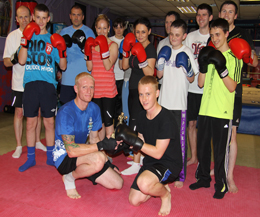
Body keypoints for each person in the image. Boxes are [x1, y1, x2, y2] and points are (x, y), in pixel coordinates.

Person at [189, 18, 242, 199]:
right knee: (203, 148)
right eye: (212, 35)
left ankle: (221, 184)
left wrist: (222, 68)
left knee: (220, 151)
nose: (215, 38)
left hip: (222, 112)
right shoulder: (209, 54)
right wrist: (203, 65)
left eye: (218, 34)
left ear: (227, 34)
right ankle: (203, 178)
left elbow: (232, 87)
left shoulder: (234, 59)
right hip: (205, 110)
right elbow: (201, 83)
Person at [115, 76, 182, 216]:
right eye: (141, 94)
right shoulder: (141, 116)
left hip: (168, 164)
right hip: (151, 162)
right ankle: (157, 184)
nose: (144, 99)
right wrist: (125, 145)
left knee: (144, 183)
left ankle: (165, 195)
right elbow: (141, 140)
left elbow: (158, 153)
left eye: (148, 94)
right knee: (134, 200)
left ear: (157, 93)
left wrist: (135, 142)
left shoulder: (166, 119)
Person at [53, 72, 123, 199]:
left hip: (81, 153)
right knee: (98, 160)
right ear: (76, 89)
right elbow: (72, 150)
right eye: (84, 87)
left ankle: (85, 169)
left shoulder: (94, 108)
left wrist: (108, 163)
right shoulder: (66, 112)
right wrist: (101, 148)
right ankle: (69, 177)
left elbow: (94, 139)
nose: (88, 91)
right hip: (64, 157)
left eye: (91, 87)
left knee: (117, 183)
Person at [18, 4, 67, 172]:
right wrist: (25, 41)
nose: (40, 21)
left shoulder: (53, 39)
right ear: (33, 17)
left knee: (49, 123)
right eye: (37, 17)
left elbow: (63, 66)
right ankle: (30, 159)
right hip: (31, 85)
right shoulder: (28, 36)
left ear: (48, 19)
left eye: (43, 18)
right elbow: (22, 60)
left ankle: (50, 157)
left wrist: (62, 51)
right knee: (31, 123)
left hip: (48, 86)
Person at [216, 0, 258, 193]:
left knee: (232, 134)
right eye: (223, 10)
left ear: (236, 16)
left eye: (230, 12)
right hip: (215, 92)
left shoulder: (243, 34)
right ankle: (217, 169)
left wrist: (247, 54)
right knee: (218, 134)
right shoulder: (214, 33)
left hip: (235, 90)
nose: (226, 14)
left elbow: (255, 63)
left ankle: (230, 175)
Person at [157, 19, 198, 188]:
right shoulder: (164, 49)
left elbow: (192, 78)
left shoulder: (187, 51)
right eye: (171, 34)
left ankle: (180, 175)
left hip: (179, 104)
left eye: (177, 35)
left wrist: (187, 68)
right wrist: (160, 63)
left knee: (180, 142)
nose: (174, 38)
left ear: (184, 36)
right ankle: (163, 170)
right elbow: (159, 76)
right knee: (162, 140)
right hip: (163, 103)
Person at [3, 5, 46, 159]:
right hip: (19, 83)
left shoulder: (38, 34)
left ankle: (36, 141)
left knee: (38, 112)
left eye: (26, 16)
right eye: (20, 17)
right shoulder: (12, 36)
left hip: (36, 80)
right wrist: (15, 58)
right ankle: (19, 146)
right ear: (16, 19)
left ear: (31, 17)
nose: (23, 20)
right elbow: (6, 62)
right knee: (19, 113)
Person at [122, 17, 157, 175]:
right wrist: (125, 50)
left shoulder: (150, 49)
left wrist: (141, 57)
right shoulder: (132, 45)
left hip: (144, 92)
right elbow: (124, 66)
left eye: (143, 31)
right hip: (132, 88)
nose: (140, 35)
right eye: (137, 32)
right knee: (133, 124)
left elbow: (150, 73)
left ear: (149, 32)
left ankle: (136, 164)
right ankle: (141, 156)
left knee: (138, 126)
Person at [183, 3, 213, 166]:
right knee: (191, 124)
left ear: (210, 18)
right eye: (198, 15)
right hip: (191, 88)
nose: (200, 18)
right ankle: (193, 156)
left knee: (206, 127)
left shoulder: (214, 36)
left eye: (204, 15)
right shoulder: (190, 37)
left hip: (208, 89)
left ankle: (204, 159)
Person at [85, 14, 118, 141]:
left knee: (109, 123)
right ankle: (99, 151)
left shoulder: (113, 45)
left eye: (105, 28)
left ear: (109, 28)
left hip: (108, 90)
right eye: (99, 28)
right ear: (95, 28)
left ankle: (109, 152)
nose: (102, 31)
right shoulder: (92, 45)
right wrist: (87, 51)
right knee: (98, 124)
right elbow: (89, 67)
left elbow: (108, 65)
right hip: (95, 90)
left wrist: (104, 47)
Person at [59, 4, 95, 105]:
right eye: (74, 15)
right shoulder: (63, 32)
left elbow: (94, 54)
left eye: (78, 15)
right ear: (70, 16)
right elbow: (58, 54)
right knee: (67, 109)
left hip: (83, 78)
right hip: (67, 78)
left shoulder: (89, 32)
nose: (76, 17)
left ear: (83, 17)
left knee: (83, 109)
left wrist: (83, 47)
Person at [156, 11, 180, 88]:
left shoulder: (184, 44)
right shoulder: (161, 43)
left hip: (176, 84)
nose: (168, 25)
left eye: (171, 22)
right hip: (163, 84)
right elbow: (157, 65)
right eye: (166, 22)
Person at [109, 18, 126, 127]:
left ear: (124, 28)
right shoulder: (109, 40)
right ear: (113, 28)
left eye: (121, 27)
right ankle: (110, 130)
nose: (119, 30)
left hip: (123, 78)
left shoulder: (128, 41)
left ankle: (119, 129)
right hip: (111, 77)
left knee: (121, 106)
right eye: (116, 27)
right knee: (112, 105)